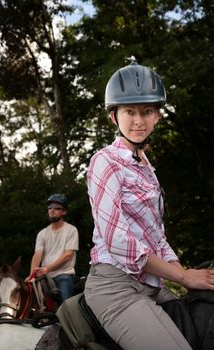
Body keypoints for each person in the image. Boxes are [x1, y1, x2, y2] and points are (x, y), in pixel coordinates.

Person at [84, 62, 214, 350]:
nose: (138, 121)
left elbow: (157, 237)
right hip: (116, 287)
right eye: (130, 111)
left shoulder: (147, 170)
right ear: (113, 116)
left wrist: (186, 275)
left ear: (157, 116)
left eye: (147, 111)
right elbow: (117, 240)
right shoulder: (105, 161)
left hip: (153, 285)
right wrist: (181, 276)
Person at [30, 193, 79, 302]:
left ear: (64, 212)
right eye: (50, 208)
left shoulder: (71, 230)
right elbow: (37, 255)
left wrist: (47, 268)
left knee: (65, 306)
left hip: (64, 274)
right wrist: (32, 275)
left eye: (57, 208)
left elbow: (68, 255)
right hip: (45, 277)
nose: (52, 210)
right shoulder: (42, 233)